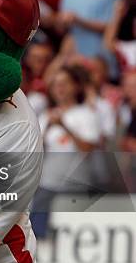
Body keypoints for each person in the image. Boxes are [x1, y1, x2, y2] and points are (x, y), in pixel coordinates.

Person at [31, 66, 101, 238]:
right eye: (56, 85)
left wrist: (64, 126)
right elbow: (35, 151)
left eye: (64, 84)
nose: (60, 89)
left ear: (76, 87)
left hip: (76, 183)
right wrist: (47, 128)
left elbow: (88, 149)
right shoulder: (45, 116)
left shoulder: (86, 114)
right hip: (48, 182)